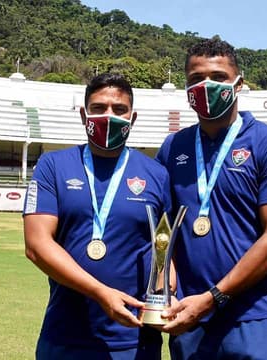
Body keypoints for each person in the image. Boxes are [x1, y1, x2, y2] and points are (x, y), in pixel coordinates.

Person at [155, 39, 267, 359]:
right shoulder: (172, 148)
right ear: (186, 88)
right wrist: (165, 273)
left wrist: (213, 298)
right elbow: (162, 228)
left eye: (218, 77)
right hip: (191, 318)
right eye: (196, 79)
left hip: (261, 315)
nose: (206, 85)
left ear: (238, 84)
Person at [23, 73, 170, 359]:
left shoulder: (156, 174)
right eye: (99, 108)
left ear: (133, 117)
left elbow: (164, 250)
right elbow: (36, 246)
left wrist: (166, 293)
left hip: (135, 339)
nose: (109, 116)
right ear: (84, 114)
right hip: (65, 336)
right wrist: (102, 293)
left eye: (119, 110)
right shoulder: (53, 165)